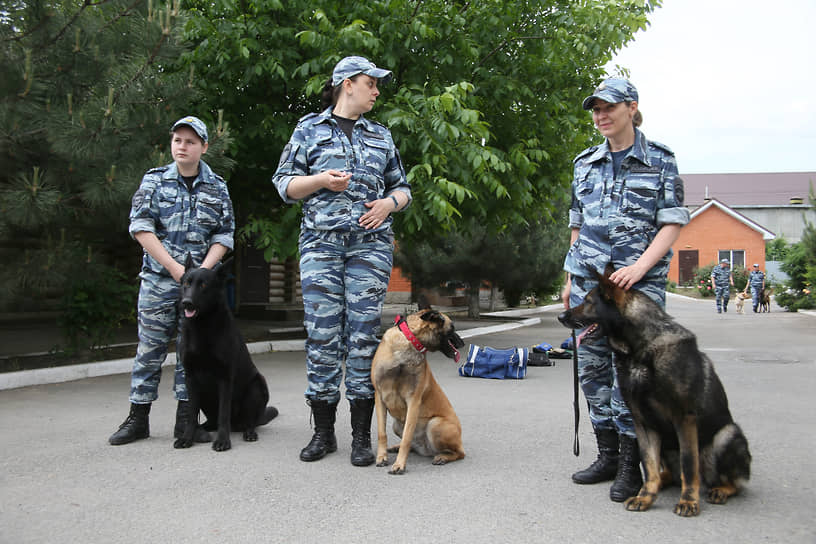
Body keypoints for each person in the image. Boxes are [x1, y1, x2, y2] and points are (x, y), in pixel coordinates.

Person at [272, 56, 411, 466]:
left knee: (364, 338)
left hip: (369, 248)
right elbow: (284, 184)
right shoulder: (308, 130)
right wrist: (319, 181)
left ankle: (362, 438)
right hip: (321, 245)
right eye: (371, 83)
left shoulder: (381, 135)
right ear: (347, 84)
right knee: (322, 337)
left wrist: (389, 203)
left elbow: (402, 188)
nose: (377, 91)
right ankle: (323, 434)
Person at [561, 78, 690, 502]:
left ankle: (635, 465)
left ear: (631, 108)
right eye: (595, 110)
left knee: (634, 376)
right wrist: (568, 279)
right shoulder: (585, 162)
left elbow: (671, 221)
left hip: (639, 288)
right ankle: (609, 456)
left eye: (608, 108)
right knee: (593, 371)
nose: (600, 116)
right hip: (590, 285)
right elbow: (576, 225)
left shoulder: (661, 160)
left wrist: (640, 266)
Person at [109, 116, 235, 446]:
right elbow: (140, 227)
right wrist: (176, 269)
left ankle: (186, 421)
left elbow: (224, 233)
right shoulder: (154, 181)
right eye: (178, 140)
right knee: (149, 350)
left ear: (204, 147)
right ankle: (138, 418)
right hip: (159, 280)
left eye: (191, 141)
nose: (183, 146)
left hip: (199, 288)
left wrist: (201, 273)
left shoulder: (217, 186)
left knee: (189, 353)